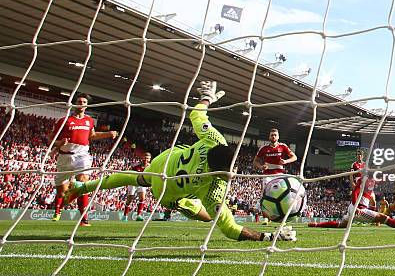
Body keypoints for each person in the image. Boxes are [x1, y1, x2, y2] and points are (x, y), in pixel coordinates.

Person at [64, 81, 296, 242]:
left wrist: (206, 98)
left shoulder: (215, 139)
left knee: (128, 177)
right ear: (221, 172)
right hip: (166, 191)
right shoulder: (215, 187)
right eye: (231, 169)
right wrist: (269, 237)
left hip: (163, 162)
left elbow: (196, 115)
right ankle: (186, 206)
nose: (234, 172)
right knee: (205, 215)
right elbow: (231, 229)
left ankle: (82, 186)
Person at [308, 150, 395, 231]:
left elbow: (383, 178)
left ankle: (316, 225)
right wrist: (357, 207)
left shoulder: (373, 179)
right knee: (384, 218)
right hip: (358, 209)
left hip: (355, 208)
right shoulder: (363, 179)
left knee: (341, 225)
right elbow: (355, 193)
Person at [51, 93, 117, 226]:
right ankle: (58, 211)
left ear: (87, 105)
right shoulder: (64, 120)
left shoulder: (89, 120)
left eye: (84, 102)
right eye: (79, 101)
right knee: (62, 193)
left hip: (82, 156)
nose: (81, 103)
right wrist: (59, 144)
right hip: (64, 157)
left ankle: (84, 218)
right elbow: (51, 139)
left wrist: (108, 134)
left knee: (82, 183)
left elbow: (91, 136)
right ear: (75, 103)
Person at [122, 152, 152, 222]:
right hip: (133, 182)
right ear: (142, 158)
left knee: (142, 198)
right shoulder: (136, 166)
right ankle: (125, 215)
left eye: (147, 158)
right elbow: (129, 173)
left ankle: (139, 215)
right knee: (129, 199)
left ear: (150, 159)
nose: (146, 159)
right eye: (145, 158)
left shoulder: (150, 167)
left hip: (142, 183)